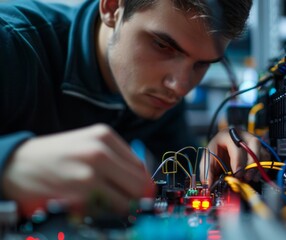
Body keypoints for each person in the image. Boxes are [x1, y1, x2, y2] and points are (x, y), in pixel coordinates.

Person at [0, 0, 264, 217]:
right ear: (113, 8)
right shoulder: (12, 42)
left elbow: (187, 171)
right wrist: (9, 164)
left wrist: (215, 161)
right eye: (163, 46)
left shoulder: (159, 96)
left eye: (202, 64)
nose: (181, 86)